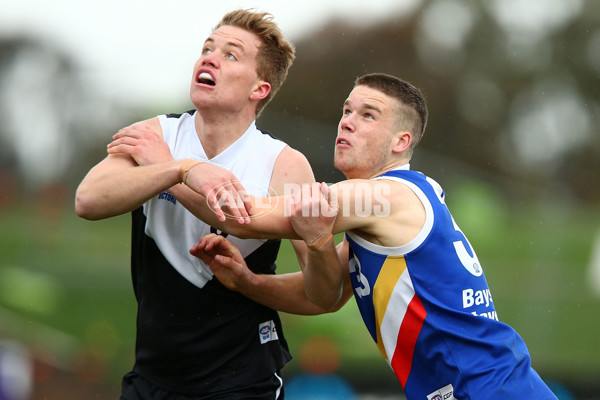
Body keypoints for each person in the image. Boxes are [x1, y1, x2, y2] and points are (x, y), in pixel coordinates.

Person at [187, 73, 558, 399]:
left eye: (368, 115)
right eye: (347, 111)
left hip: (484, 390)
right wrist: (248, 282)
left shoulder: (384, 196)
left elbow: (243, 217)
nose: (347, 122)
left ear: (400, 141)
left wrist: (177, 169)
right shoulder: (385, 208)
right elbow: (321, 296)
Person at [75, 9, 329, 399]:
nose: (208, 57)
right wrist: (181, 169)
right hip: (151, 378)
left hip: (243, 380)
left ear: (259, 88)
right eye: (207, 48)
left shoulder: (282, 164)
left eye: (231, 54)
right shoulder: (155, 135)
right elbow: (88, 200)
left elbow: (320, 293)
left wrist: (252, 283)